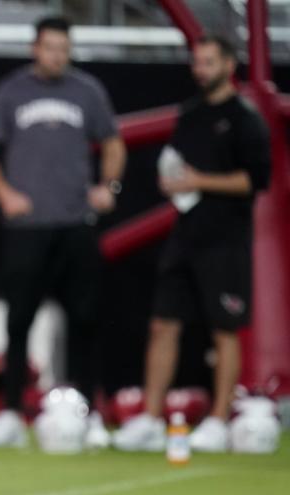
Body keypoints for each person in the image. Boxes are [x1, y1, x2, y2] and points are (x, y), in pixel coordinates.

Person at [0, 15, 126, 448]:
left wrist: (108, 188)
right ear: (35, 48)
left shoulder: (88, 91)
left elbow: (113, 142)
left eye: (64, 47)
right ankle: (12, 415)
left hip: (76, 223)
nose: (57, 55)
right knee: (19, 323)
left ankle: (90, 415)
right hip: (27, 227)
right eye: (50, 47)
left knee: (86, 321)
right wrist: (5, 195)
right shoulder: (12, 91)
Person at [114, 35, 271, 452]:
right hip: (185, 234)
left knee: (224, 329)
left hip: (226, 239)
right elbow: (177, 166)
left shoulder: (245, 118)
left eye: (208, 62)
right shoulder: (190, 114)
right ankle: (150, 418)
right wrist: (173, 182)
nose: (200, 69)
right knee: (163, 324)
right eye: (196, 61)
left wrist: (199, 180)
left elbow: (255, 181)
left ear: (228, 65)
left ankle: (219, 421)